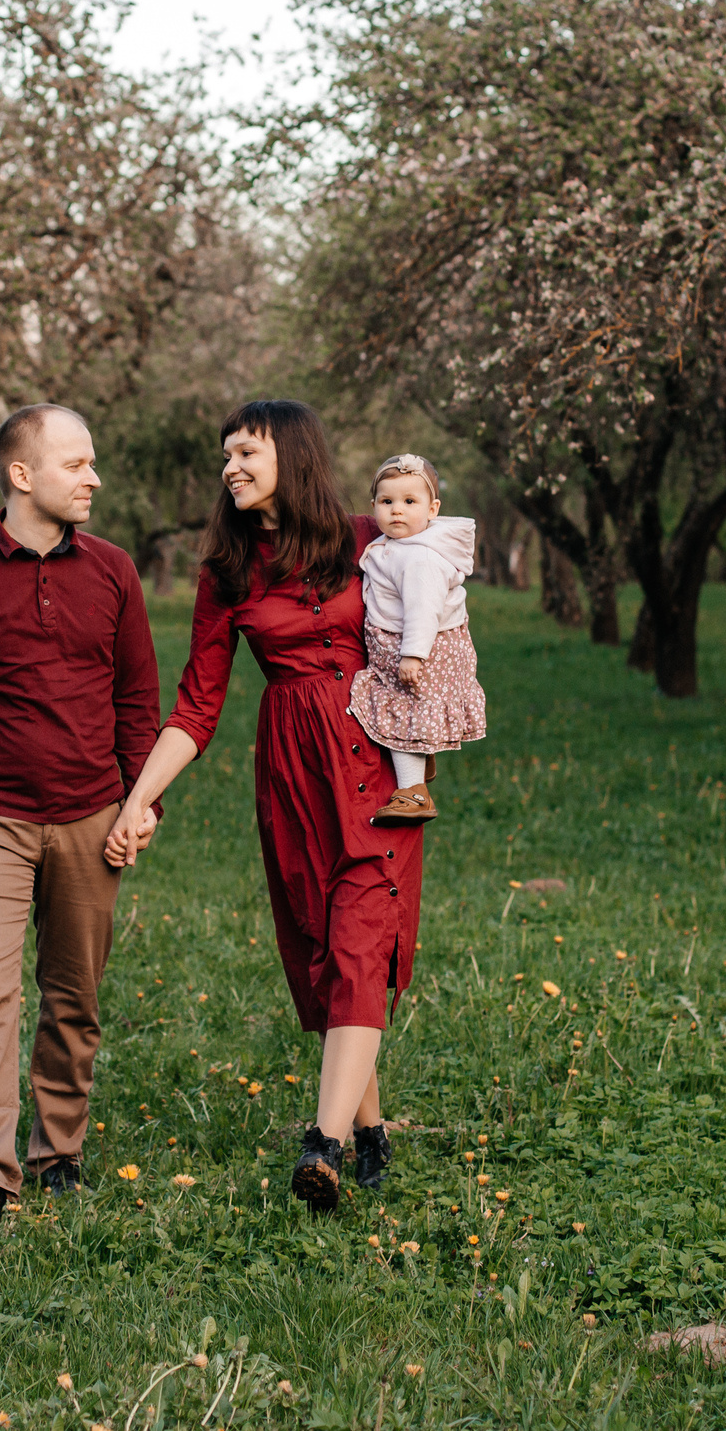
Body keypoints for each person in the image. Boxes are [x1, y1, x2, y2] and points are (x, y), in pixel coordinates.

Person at [106, 399, 425, 1211]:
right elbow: (195, 706)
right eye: (225, 457)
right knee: (324, 947)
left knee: (360, 934)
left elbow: (443, 567)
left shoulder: (366, 536)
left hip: (378, 758)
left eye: (245, 452)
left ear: (292, 452)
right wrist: (139, 798)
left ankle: (322, 1143)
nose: (230, 468)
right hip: (293, 767)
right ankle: (374, 1132)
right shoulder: (228, 571)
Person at [0, 403, 162, 1226]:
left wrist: (140, 799)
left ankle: (59, 1150)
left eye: (93, 463)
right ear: (22, 475)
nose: (95, 478)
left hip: (92, 815)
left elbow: (137, 699)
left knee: (73, 992)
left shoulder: (115, 571)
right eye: (77, 464)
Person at [345, 453, 487, 823]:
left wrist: (413, 655)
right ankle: (421, 760)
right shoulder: (398, 548)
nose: (397, 511)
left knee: (403, 709)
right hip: (405, 645)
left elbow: (424, 610)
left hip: (421, 649)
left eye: (410, 502)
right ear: (373, 504)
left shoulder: (421, 557)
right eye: (387, 501)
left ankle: (413, 793)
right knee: (408, 709)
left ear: (432, 508)